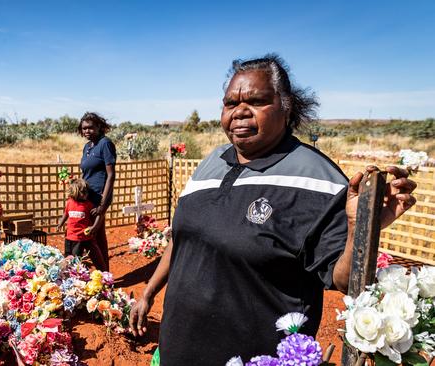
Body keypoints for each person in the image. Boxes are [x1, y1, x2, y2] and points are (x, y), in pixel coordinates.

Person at [128, 55, 418, 364]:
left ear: (286, 105)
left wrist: (360, 230)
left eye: (256, 101)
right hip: (177, 350)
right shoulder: (210, 163)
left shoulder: (318, 179)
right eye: (230, 103)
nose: (240, 112)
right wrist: (148, 293)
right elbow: (182, 239)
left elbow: (345, 280)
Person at [79, 112, 116, 271]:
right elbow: (86, 173)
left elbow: (111, 175)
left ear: (99, 127)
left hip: (98, 197)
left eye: (90, 128)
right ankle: (104, 274)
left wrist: (103, 203)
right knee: (95, 236)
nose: (87, 131)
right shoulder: (87, 147)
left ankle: (104, 275)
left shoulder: (105, 143)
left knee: (92, 236)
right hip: (86, 197)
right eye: (84, 128)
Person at [56, 178, 107, 270]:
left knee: (76, 259)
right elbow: (66, 214)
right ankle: (69, 276)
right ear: (76, 192)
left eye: (86, 192)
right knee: (67, 257)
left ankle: (78, 276)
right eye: (83, 192)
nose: (86, 194)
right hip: (69, 236)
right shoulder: (69, 202)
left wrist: (94, 227)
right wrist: (60, 223)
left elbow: (98, 215)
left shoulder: (88, 205)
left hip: (81, 237)